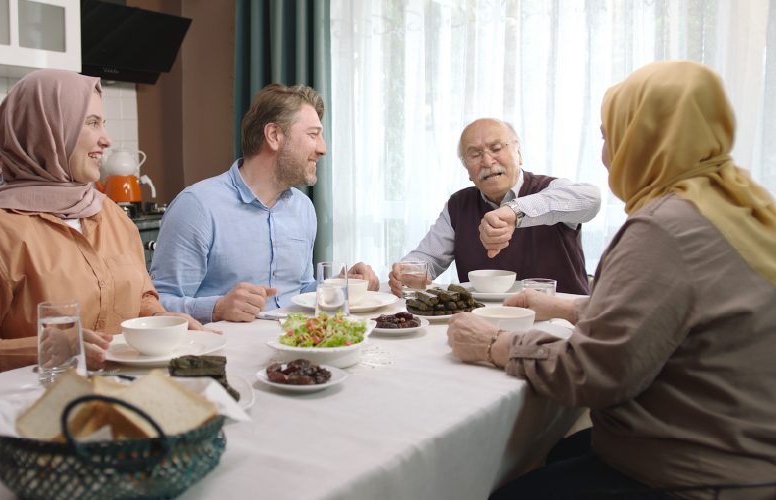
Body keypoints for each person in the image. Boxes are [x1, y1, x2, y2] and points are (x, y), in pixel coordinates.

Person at [447, 61, 776, 499]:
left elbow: (594, 373)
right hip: (743, 451)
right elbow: (675, 315)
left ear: (642, 139)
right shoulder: (740, 205)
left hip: (695, 474)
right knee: (553, 451)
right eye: (475, 153)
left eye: (609, 136)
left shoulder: (662, 226)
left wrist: (493, 345)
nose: (606, 155)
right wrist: (567, 307)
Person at [0, 69, 209, 383]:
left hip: (126, 392)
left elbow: (140, 297)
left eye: (104, 124)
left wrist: (159, 319)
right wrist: (54, 349)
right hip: (32, 406)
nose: (107, 139)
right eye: (91, 123)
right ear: (46, 132)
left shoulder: (112, 215)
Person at [150, 84, 378, 323]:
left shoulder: (303, 208)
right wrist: (217, 308)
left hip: (297, 348)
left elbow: (298, 292)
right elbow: (154, 303)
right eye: (313, 134)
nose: (323, 149)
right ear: (273, 136)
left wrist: (339, 285)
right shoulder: (196, 207)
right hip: (228, 354)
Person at [387, 119, 600, 296]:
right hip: (483, 322)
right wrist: (407, 270)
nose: (488, 161)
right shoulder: (459, 205)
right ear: (467, 171)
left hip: (559, 324)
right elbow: (429, 258)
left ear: (518, 154)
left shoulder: (550, 189)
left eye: (496, 148)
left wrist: (513, 212)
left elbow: (591, 199)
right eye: (475, 154)